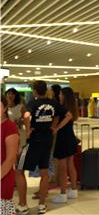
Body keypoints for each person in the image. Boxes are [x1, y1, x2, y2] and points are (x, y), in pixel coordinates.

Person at [15, 81, 60, 215]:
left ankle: (23, 205)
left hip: (33, 142)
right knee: (44, 173)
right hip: (47, 141)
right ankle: (41, 205)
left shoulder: (33, 103)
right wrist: (54, 127)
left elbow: (27, 115)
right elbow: (62, 114)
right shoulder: (53, 103)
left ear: (35, 91)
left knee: (18, 170)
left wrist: (28, 129)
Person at [51, 87, 79, 203]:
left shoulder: (61, 108)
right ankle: (73, 190)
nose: (59, 96)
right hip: (71, 138)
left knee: (62, 168)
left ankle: (62, 194)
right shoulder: (73, 108)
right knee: (70, 165)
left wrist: (56, 128)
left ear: (64, 96)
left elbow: (58, 122)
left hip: (62, 140)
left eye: (61, 94)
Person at [1, 95, 19, 215]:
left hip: (3, 176)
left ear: (5, 108)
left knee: (4, 210)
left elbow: (11, 158)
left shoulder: (9, 127)